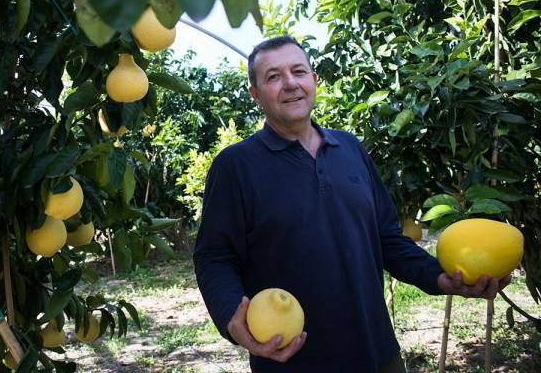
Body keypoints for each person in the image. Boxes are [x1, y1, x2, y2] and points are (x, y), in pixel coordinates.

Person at [193, 36, 511, 372]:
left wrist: (439, 277)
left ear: (314, 81)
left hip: (378, 352)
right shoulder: (235, 166)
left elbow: (387, 237)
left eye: (298, 71)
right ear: (255, 94)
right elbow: (214, 256)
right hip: (291, 358)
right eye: (273, 77)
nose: (290, 84)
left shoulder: (349, 148)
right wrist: (233, 317)